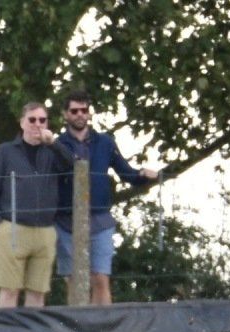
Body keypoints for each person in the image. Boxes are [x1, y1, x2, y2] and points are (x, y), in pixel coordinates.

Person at [54, 89, 161, 305]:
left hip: (100, 219)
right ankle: (78, 324)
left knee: (101, 278)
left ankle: (103, 324)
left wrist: (145, 175)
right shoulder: (57, 145)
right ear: (65, 114)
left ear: (89, 113)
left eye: (84, 110)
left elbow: (126, 173)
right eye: (74, 111)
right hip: (66, 221)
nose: (80, 114)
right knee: (73, 281)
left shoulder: (105, 142)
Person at [0, 102, 72, 308]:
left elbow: (73, 166)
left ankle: (32, 330)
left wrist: (54, 144)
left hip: (45, 230)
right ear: (22, 122)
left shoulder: (52, 151)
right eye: (32, 119)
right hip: (13, 227)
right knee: (9, 290)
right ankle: (7, 330)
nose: (37, 124)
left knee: (38, 292)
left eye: (42, 120)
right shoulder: (5, 151)